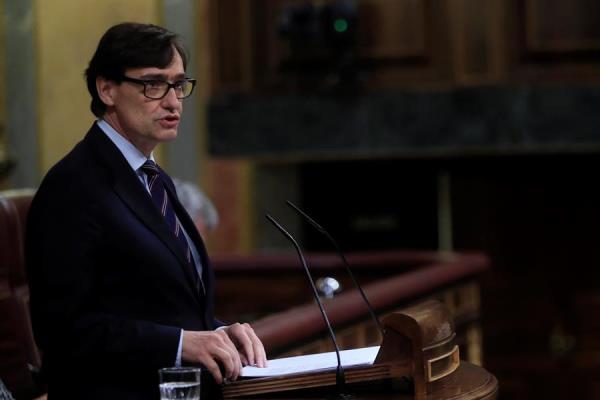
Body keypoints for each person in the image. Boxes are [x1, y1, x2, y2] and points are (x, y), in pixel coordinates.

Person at [25, 22, 266, 399]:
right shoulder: (73, 185)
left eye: (179, 84)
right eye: (153, 84)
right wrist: (182, 344)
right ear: (107, 89)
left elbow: (159, 307)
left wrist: (219, 332)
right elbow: (63, 330)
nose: (172, 102)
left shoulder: (152, 177)